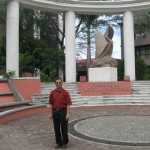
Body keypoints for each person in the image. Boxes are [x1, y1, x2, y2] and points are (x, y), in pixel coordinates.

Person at [49, 77, 72, 149]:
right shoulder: (52, 93)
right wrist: (51, 113)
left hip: (63, 112)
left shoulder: (66, 92)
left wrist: (68, 114)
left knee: (64, 128)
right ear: (55, 83)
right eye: (57, 82)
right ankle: (58, 142)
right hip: (55, 111)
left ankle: (65, 142)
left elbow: (68, 104)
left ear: (62, 83)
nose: (58, 84)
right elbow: (51, 104)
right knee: (56, 128)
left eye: (59, 82)